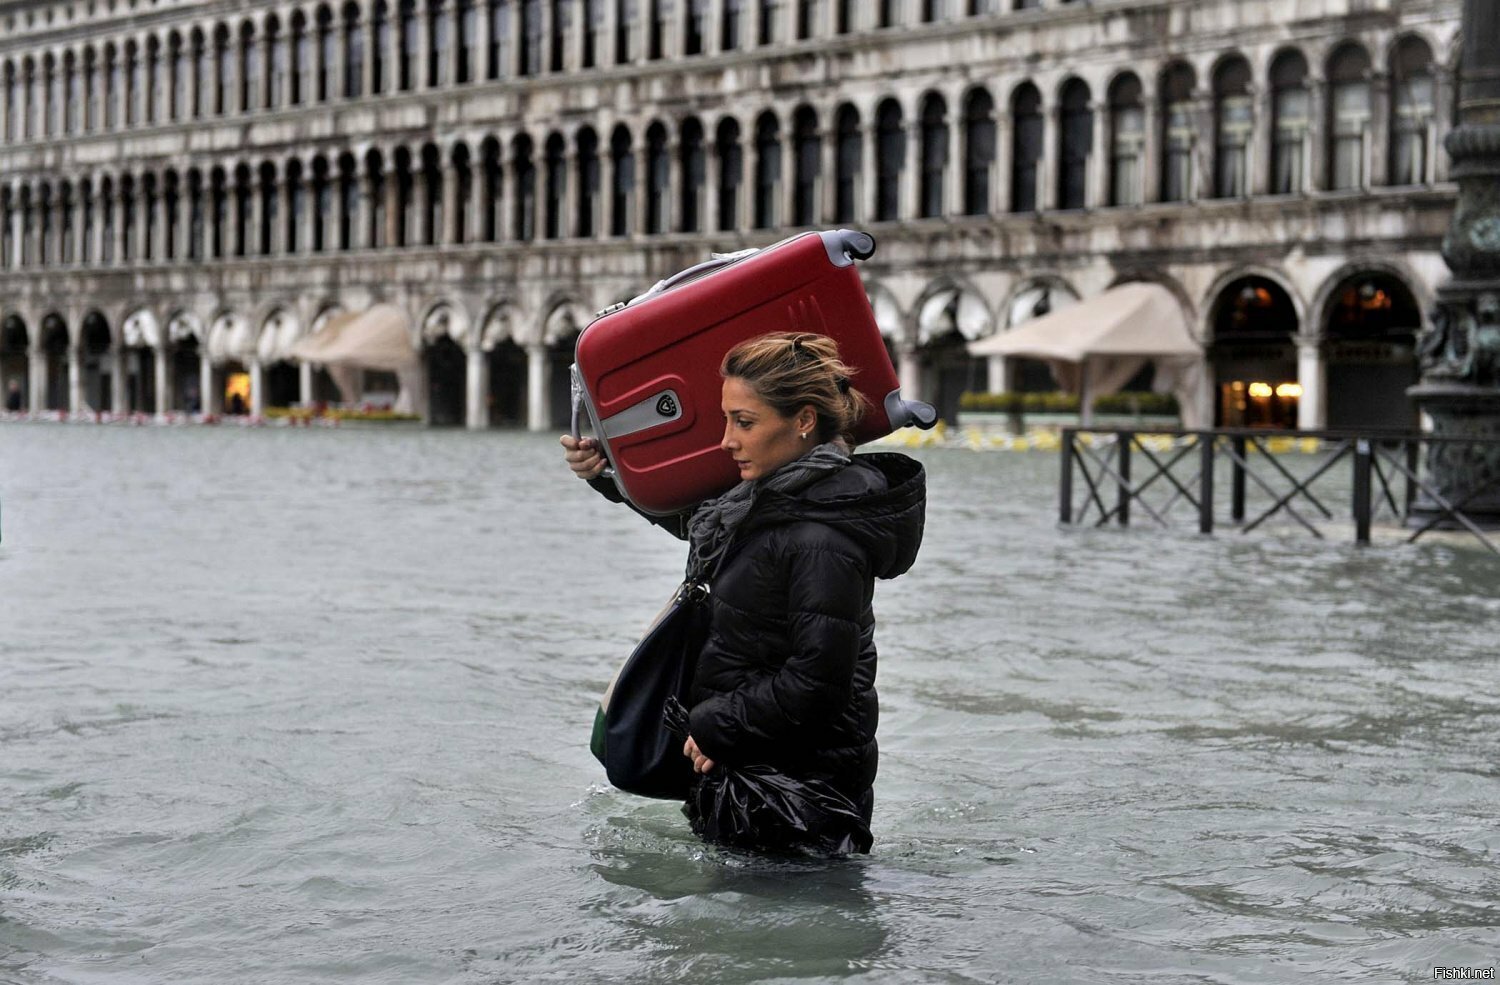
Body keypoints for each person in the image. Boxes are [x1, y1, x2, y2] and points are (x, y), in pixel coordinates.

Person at [562, 331, 926, 851]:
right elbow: (704, 529)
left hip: (797, 797)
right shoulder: (769, 499)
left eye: (745, 422)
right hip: (752, 775)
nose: (727, 440)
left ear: (803, 421)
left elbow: (820, 680)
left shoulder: (824, 537)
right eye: (727, 419)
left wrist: (713, 725)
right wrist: (609, 477)